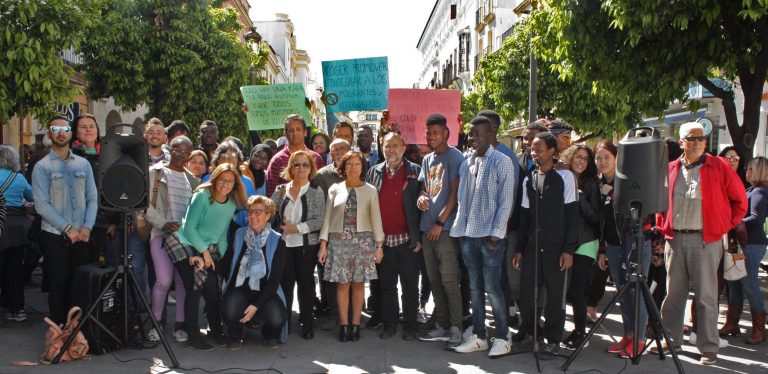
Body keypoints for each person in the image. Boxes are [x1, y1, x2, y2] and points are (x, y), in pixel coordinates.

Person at [652, 122, 747, 365]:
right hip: (675, 239)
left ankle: (708, 347)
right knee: (673, 294)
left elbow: (740, 201)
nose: (696, 143)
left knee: (706, 296)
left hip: (706, 239)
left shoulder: (720, 166)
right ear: (681, 141)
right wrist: (663, 226)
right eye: (691, 139)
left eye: (700, 138)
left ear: (706, 142)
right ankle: (671, 339)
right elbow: (660, 202)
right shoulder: (671, 168)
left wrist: (724, 224)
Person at [450, 116, 515, 357]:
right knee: (475, 287)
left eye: (477, 133)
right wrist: (460, 231)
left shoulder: (502, 162)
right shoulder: (466, 162)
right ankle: (479, 335)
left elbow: (505, 202)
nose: (472, 138)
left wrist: (496, 234)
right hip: (468, 236)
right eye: (470, 134)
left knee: (493, 288)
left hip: (490, 238)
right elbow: (462, 201)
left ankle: (502, 336)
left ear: (490, 135)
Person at [165, 163, 246, 350]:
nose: (225, 184)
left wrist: (223, 263)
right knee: (195, 286)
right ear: (215, 179)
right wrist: (205, 253)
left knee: (213, 291)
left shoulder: (231, 204)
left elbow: (221, 236)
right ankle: (193, 335)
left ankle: (216, 332)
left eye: (230, 181)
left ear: (235, 184)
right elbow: (189, 228)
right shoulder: (201, 196)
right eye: (222, 180)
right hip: (184, 242)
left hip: (206, 248)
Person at [512, 131, 578, 356]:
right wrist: (520, 249)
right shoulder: (528, 179)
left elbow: (572, 216)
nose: (534, 153)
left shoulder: (565, 177)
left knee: (555, 298)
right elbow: (524, 216)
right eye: (532, 149)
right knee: (528, 293)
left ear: (552, 151)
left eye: (539, 149)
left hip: (556, 248)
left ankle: (553, 339)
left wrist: (569, 250)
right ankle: (530, 333)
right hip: (532, 247)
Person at [32, 115, 98, 324]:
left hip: (82, 235)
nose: (61, 133)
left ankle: (77, 332)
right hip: (55, 235)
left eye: (65, 129)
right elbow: (41, 204)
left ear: (71, 133)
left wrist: (87, 227)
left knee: (79, 284)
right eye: (55, 129)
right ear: (50, 133)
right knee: (58, 284)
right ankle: (59, 332)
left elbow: (92, 198)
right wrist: (67, 228)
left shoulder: (84, 164)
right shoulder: (42, 167)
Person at [318, 151, 384, 342]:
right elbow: (327, 220)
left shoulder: (370, 190)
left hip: (363, 242)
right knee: (342, 285)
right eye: (349, 164)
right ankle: (343, 325)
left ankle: (356, 325)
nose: (353, 168)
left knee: (358, 285)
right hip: (339, 241)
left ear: (363, 167)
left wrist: (379, 246)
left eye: (357, 164)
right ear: (343, 168)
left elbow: (376, 219)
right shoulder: (334, 189)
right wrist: (323, 245)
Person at [365, 132, 422, 340]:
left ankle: (410, 326)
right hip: (383, 242)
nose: (392, 150)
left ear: (404, 147)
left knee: (409, 286)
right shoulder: (374, 172)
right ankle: (390, 324)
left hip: (408, 241)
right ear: (381, 148)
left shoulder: (416, 171)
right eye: (387, 146)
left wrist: (418, 238)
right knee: (386, 286)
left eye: (396, 145)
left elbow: (423, 207)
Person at [144, 136, 199, 343]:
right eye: (177, 149)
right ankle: (156, 322)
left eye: (186, 152)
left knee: (183, 282)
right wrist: (163, 223)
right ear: (170, 149)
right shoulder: (156, 173)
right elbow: (145, 205)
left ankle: (180, 324)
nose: (181, 154)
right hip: (160, 234)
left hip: (183, 239)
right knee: (163, 281)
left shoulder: (192, 180)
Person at [416, 114, 465, 348]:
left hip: (443, 230)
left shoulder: (455, 157)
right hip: (427, 228)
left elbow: (455, 194)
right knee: (434, 281)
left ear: (446, 133)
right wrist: (422, 199)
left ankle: (456, 328)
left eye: (435, 132)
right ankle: (442, 325)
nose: (431, 136)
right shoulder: (427, 159)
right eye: (428, 132)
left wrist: (441, 223)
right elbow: (426, 189)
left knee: (449, 280)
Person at [270, 151, 325, 340]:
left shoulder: (316, 191)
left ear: (311, 169)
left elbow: (320, 220)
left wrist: (297, 228)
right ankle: (282, 323)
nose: (301, 168)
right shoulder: (280, 190)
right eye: (297, 164)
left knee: (306, 285)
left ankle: (307, 322)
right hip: (283, 245)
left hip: (306, 246)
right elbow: (269, 212)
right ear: (290, 168)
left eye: (305, 165)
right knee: (286, 285)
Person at [222, 196, 289, 349]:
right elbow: (226, 264)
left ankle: (267, 335)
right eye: (250, 212)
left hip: (266, 291)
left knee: (277, 318)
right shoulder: (239, 234)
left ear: (268, 215)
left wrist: (256, 305)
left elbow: (274, 282)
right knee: (230, 307)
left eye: (258, 212)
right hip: (240, 289)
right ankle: (236, 334)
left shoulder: (277, 241)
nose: (252, 216)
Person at [719, 156, 767, 344]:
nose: (746, 171)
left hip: (752, 244)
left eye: (748, 168)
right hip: (742, 242)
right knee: (734, 282)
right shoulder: (754, 190)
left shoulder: (760, 192)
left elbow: (755, 219)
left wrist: (730, 223)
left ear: (756, 171)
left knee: (749, 283)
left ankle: (759, 329)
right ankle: (732, 323)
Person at [559, 145, 601, 350]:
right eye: (578, 157)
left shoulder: (592, 184)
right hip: (565, 241)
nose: (581, 161)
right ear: (569, 157)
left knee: (577, 290)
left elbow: (594, 216)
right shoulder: (561, 177)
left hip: (585, 242)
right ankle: (564, 330)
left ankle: (580, 333)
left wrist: (580, 195)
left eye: (586, 159)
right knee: (563, 289)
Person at [312, 138, 351, 330]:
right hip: (330, 233)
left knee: (352, 276)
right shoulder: (322, 176)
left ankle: (351, 315)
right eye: (335, 149)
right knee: (330, 277)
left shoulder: (358, 170)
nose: (339, 152)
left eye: (343, 148)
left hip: (354, 234)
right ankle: (335, 315)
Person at [70, 114, 119, 266]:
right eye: (83, 127)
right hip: (79, 224)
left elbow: (116, 187)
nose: (88, 130)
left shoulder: (109, 154)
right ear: (75, 132)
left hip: (105, 222)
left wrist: (115, 221)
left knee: (104, 269)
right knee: (81, 268)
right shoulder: (70, 156)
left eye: (91, 126)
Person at [0, 145, 34, 322]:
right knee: (14, 269)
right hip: (16, 228)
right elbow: (32, 197)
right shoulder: (19, 178)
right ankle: (17, 309)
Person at [266, 115, 325, 197]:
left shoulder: (316, 158)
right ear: (285, 133)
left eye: (298, 129)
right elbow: (271, 194)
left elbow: (322, 188)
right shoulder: (277, 160)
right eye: (291, 130)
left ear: (305, 132)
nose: (295, 133)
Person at [204, 141, 257, 227]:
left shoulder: (247, 181)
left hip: (240, 229)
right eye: (224, 156)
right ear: (217, 160)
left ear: (238, 160)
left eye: (233, 156)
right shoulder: (208, 179)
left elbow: (252, 207)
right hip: (214, 227)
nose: (229, 160)